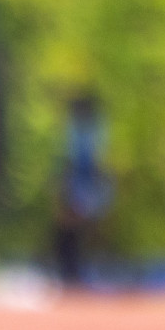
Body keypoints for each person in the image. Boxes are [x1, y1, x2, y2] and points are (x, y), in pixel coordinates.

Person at [52, 92, 112, 288]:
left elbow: (87, 160)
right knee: (73, 227)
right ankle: (73, 270)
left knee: (81, 227)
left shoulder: (89, 130)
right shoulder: (84, 129)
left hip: (84, 180)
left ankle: (81, 269)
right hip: (82, 181)